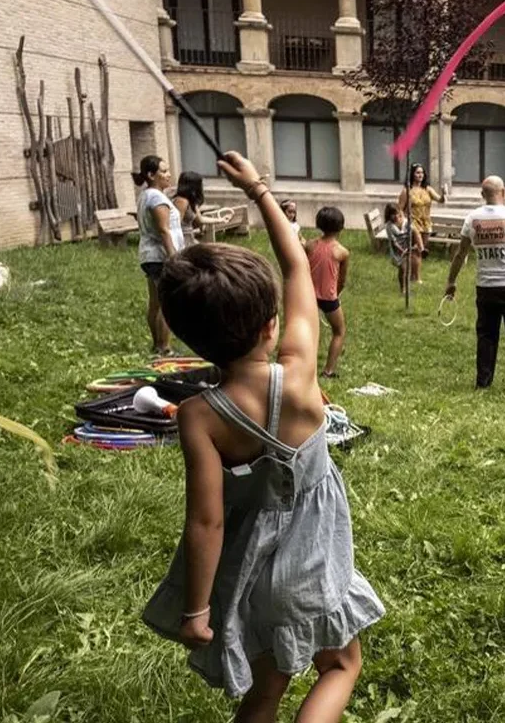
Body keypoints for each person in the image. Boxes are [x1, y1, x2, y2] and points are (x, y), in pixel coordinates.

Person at [143, 151, 384, 719]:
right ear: (271, 325)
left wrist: (197, 611)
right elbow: (297, 267)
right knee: (341, 665)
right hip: (313, 562)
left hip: (250, 570)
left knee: (267, 687)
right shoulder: (299, 376)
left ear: (189, 339)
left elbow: (205, 522)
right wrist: (258, 190)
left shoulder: (199, 416)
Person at [444, 176, 505, 395]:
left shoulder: (472, 218)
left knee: (486, 336)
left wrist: (451, 281)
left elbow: (460, 254)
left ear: (482, 194)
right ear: (503, 192)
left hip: (486, 287)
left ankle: (483, 383)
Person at [134, 155, 184, 356]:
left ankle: (157, 346)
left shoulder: (146, 195)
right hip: (161, 257)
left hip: (149, 255)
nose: (168, 174)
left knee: (155, 302)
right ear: (151, 175)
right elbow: (164, 230)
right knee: (167, 303)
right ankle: (164, 348)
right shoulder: (156, 198)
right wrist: (173, 257)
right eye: (163, 171)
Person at [306, 207, 349, 379]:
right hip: (329, 298)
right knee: (339, 331)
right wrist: (336, 294)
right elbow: (342, 280)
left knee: (307, 331)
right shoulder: (342, 252)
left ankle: (305, 366)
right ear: (341, 226)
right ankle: (328, 371)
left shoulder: (309, 245)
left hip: (308, 295)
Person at [398, 163, 444, 284]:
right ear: (412, 174)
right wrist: (404, 223)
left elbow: (441, 200)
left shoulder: (427, 189)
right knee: (417, 249)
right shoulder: (407, 191)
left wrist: (444, 193)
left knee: (419, 251)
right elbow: (400, 209)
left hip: (426, 223)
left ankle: (412, 275)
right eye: (418, 172)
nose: (420, 175)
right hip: (413, 223)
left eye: (422, 172)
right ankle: (417, 278)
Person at [384, 202, 422, 296]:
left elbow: (413, 231)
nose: (396, 216)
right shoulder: (389, 226)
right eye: (393, 214)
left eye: (397, 213)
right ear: (389, 216)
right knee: (402, 268)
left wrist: (415, 244)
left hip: (406, 246)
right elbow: (394, 243)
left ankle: (408, 286)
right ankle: (403, 289)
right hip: (397, 250)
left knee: (408, 267)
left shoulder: (405, 221)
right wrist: (402, 251)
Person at [172, 171, 204, 245]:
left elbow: (200, 220)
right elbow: (176, 224)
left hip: (190, 237)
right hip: (183, 240)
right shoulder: (181, 201)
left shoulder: (189, 201)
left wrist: (221, 219)